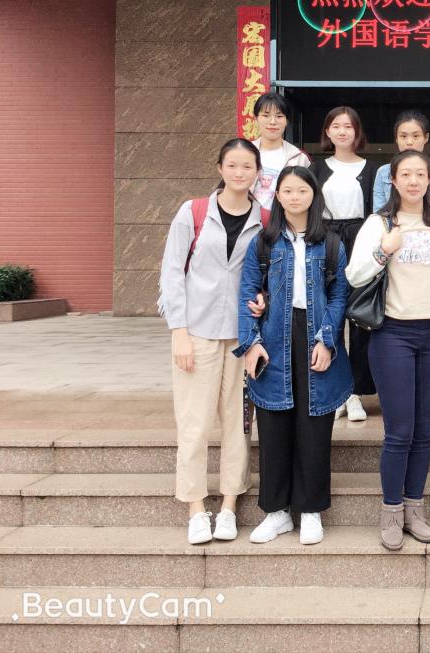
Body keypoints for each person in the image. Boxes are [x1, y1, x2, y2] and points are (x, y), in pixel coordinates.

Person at [347, 150, 430, 550]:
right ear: (393, 180)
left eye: (420, 174)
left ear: (429, 180)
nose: (414, 181)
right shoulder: (379, 223)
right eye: (406, 175)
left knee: (422, 431)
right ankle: (391, 510)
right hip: (393, 335)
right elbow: (354, 275)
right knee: (399, 431)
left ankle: (415, 509)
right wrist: (384, 250)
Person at [235, 166, 352, 546]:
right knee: (273, 426)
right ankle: (277, 513)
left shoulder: (330, 244)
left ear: (313, 195)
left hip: (315, 335)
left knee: (314, 426)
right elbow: (247, 292)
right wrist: (251, 343)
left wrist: (328, 340)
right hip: (272, 338)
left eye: (302, 190)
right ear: (278, 196)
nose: (295, 197)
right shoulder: (263, 243)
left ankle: (311, 510)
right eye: (287, 190)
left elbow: (339, 295)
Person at [158, 139, 263, 544]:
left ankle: (229, 506)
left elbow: (267, 275)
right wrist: (178, 331)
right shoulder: (194, 212)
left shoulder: (264, 218)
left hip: (241, 336)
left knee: (238, 424)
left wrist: (263, 300)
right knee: (195, 424)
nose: (239, 173)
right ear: (220, 168)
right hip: (197, 333)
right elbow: (172, 273)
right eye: (232, 165)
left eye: (247, 166)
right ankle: (196, 508)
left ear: (257, 172)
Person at [311, 106, 379, 422]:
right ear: (327, 131)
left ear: (357, 132)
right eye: (336, 125)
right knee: (331, 315)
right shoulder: (316, 168)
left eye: (348, 126)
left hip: (361, 240)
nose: (342, 131)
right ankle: (336, 390)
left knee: (361, 318)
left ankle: (356, 393)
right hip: (326, 241)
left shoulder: (372, 169)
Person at [250, 92, 311, 209]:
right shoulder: (244, 153)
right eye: (266, 115)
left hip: (286, 218)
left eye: (279, 116)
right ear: (256, 118)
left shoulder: (299, 157)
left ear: (286, 121)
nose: (272, 122)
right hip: (249, 218)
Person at [372, 110, 430, 209]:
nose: (409, 142)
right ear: (396, 138)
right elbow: (379, 211)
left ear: (426, 137)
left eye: (416, 136)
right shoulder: (384, 172)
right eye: (403, 136)